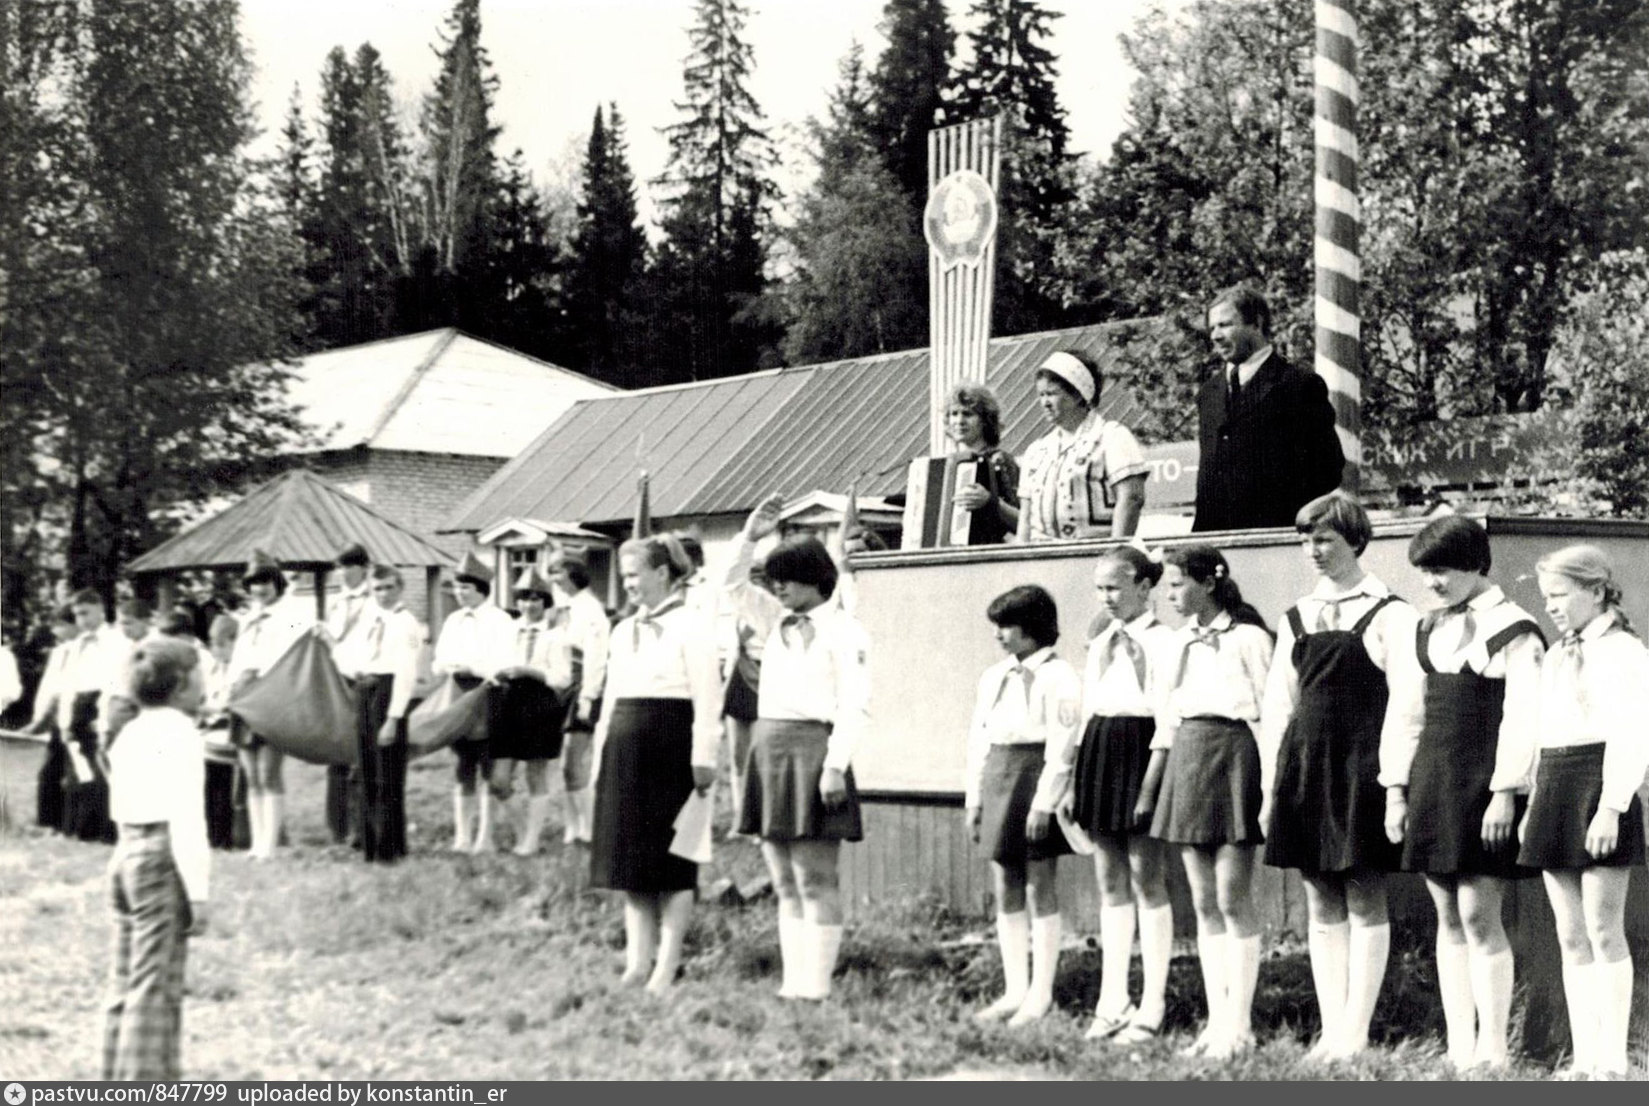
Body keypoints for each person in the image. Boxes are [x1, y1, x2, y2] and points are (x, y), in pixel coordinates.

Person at [1260, 492, 1422, 1062]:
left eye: (1324, 539)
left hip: (1362, 772)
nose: (1313, 550)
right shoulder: (1296, 617)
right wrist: (1269, 788)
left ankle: (1355, 1033)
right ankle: (1331, 1032)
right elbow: (1278, 708)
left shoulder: (1393, 614)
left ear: (1355, 540)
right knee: (1319, 899)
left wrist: (1394, 785)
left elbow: (1408, 705)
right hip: (1306, 771)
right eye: (1306, 539)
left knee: (1362, 894)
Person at [1382, 516, 1544, 1070]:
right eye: (1425, 572)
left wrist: (1505, 792)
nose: (1432, 582)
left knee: (1479, 915)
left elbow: (1525, 718)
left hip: (1484, 781)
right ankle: (1460, 1045)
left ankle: (1494, 1047)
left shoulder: (1515, 628)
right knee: (1447, 916)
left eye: (1443, 570)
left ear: (1477, 563)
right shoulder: (1425, 629)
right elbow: (1404, 714)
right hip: (1433, 779)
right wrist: (1395, 792)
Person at [1517, 544, 1649, 1080]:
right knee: (1569, 934)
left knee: (1602, 928)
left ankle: (1613, 1061)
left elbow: (1633, 734)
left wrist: (1612, 807)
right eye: (1545, 595)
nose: (1550, 606)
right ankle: (1585, 1056)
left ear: (1596, 591)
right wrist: (1533, 801)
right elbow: (1542, 733)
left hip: (1600, 787)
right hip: (1555, 783)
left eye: (1560, 594)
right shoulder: (1555, 655)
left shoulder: (1625, 653)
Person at [1148, 546, 1275, 1059]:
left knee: (1231, 898)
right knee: (1203, 903)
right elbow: (1166, 718)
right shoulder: (1175, 644)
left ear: (1208, 582)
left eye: (1177, 584)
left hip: (1235, 758)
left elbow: (1271, 716)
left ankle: (1239, 1025)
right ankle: (1217, 1021)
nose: (1170, 594)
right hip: (1189, 761)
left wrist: (1269, 789)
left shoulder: (1248, 638)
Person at [736, 520, 871, 1003]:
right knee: (783, 880)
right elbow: (730, 586)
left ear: (815, 577)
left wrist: (835, 764)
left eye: (786, 579)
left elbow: (855, 703)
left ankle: (816, 987)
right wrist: (750, 534)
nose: (777, 588)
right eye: (773, 581)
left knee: (815, 877)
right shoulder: (772, 622)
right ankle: (793, 984)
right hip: (768, 749)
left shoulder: (845, 630)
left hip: (815, 751)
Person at [590, 533, 722, 995]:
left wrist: (703, 757)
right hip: (625, 750)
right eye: (623, 576)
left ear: (663, 573)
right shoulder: (624, 630)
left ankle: (667, 965)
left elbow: (709, 696)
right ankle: (636, 963)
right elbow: (610, 699)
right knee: (630, 862)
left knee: (672, 862)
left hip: (671, 745)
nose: (627, 584)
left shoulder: (693, 625)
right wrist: (600, 759)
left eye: (634, 575)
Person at [1069, 545, 1176, 1044]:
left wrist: (1150, 787)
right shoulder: (1099, 641)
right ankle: (1113, 1000)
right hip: (1099, 748)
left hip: (1142, 750)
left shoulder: (1165, 642)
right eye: (1100, 589)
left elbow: (1166, 719)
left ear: (1142, 585)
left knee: (1146, 879)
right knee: (1109, 881)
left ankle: (1153, 1003)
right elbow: (1088, 708)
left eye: (1114, 587)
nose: (1105, 598)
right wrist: (1072, 778)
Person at [964, 585, 1081, 1026]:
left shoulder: (1060, 676)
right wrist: (974, 796)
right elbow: (978, 738)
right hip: (998, 775)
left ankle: (1041, 992)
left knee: (1038, 884)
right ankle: (1015, 988)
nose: (999, 635)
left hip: (1035, 780)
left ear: (1033, 628)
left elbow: (1063, 745)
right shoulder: (993, 677)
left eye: (1007, 626)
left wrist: (1044, 803)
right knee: (1005, 883)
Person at [102, 637, 209, 1080]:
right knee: (154, 988)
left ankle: (119, 1077)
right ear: (182, 684)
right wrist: (198, 893)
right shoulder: (180, 733)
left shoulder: (130, 729)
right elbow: (186, 815)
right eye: (200, 671)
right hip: (161, 855)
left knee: (126, 982)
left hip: (125, 852)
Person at [1192, 285, 1344, 533]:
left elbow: (1327, 469)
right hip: (1215, 542)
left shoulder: (1299, 385)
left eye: (1225, 325)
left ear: (1257, 323)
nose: (1215, 336)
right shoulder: (1208, 393)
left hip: (1279, 539)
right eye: (1212, 328)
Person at [333, 565, 423, 863]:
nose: (382, 594)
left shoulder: (406, 622)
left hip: (388, 693)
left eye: (388, 588)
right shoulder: (370, 617)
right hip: (365, 689)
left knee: (388, 775)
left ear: (400, 588)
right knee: (367, 771)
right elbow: (352, 650)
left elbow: (407, 673)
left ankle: (390, 847)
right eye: (377, 589)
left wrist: (394, 718)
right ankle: (370, 846)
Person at [226, 550, 308, 860]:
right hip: (244, 698)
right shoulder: (247, 619)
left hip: (272, 696)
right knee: (251, 774)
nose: (260, 589)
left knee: (268, 771)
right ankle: (256, 842)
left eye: (266, 582)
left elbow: (291, 658)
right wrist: (232, 686)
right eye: (254, 584)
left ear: (277, 583)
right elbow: (237, 659)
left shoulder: (290, 617)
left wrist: (260, 673)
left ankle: (270, 844)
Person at [488, 566, 575, 856]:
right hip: (507, 702)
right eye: (524, 598)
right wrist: (496, 673)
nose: (529, 605)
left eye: (536, 599)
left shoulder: (556, 635)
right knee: (499, 780)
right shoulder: (506, 631)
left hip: (539, 706)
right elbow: (494, 662)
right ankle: (524, 831)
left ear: (546, 603)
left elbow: (563, 678)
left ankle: (531, 841)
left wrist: (529, 670)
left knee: (535, 775)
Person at [1015, 351, 1147, 542]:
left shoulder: (1111, 436)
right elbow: (1026, 516)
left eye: (1051, 394)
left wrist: (1115, 554)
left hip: (1093, 555)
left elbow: (1131, 498)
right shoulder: (1037, 450)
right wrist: (1020, 559)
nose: (1045, 403)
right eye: (1041, 395)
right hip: (1042, 559)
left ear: (1078, 395)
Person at [433, 551, 514, 853]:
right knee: (461, 764)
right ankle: (462, 835)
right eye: (456, 587)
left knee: (488, 766)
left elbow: (504, 662)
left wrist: (474, 668)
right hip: (457, 694)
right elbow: (439, 659)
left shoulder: (500, 620)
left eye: (465, 587)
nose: (459, 593)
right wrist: (449, 666)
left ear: (481, 588)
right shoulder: (454, 620)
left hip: (489, 695)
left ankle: (485, 836)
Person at [549, 549, 610, 848]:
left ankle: (588, 829)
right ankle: (573, 827)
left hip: (584, 688)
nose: (554, 579)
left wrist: (589, 696)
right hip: (564, 688)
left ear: (574, 574)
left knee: (575, 762)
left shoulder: (590, 610)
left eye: (558, 572)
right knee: (565, 765)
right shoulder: (566, 609)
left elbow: (596, 659)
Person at [322, 542, 373, 847]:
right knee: (336, 752)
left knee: (361, 755)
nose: (342, 573)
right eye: (339, 567)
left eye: (348, 567)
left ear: (364, 568)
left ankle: (360, 828)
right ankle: (336, 828)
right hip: (338, 680)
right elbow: (335, 641)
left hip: (365, 681)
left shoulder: (375, 599)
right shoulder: (336, 602)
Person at [62, 589, 122, 844]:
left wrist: (104, 716)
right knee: (81, 769)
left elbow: (116, 679)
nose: (82, 620)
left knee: (104, 767)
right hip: (79, 703)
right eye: (77, 615)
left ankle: (110, 830)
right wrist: (65, 721)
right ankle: (84, 828)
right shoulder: (76, 645)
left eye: (86, 613)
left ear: (100, 608)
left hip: (102, 702)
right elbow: (68, 684)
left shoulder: (116, 641)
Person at [945, 384, 1020, 545]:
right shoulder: (946, 466)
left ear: (985, 421)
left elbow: (1024, 520)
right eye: (953, 414)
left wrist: (990, 502)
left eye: (968, 414)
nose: (959, 421)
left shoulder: (999, 460)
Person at [29, 605, 79, 833]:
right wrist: (40, 717)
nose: (55, 630)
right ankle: (49, 821)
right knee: (50, 771)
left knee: (73, 772)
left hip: (73, 715)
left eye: (59, 625)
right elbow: (49, 686)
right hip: (56, 717)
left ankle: (68, 823)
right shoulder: (60, 652)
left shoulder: (82, 650)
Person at [197, 613, 242, 851]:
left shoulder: (238, 670)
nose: (216, 650)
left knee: (225, 790)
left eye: (221, 645)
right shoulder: (214, 669)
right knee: (208, 787)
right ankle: (211, 836)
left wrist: (211, 708)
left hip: (228, 732)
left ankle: (225, 837)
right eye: (213, 644)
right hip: (210, 733)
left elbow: (229, 702)